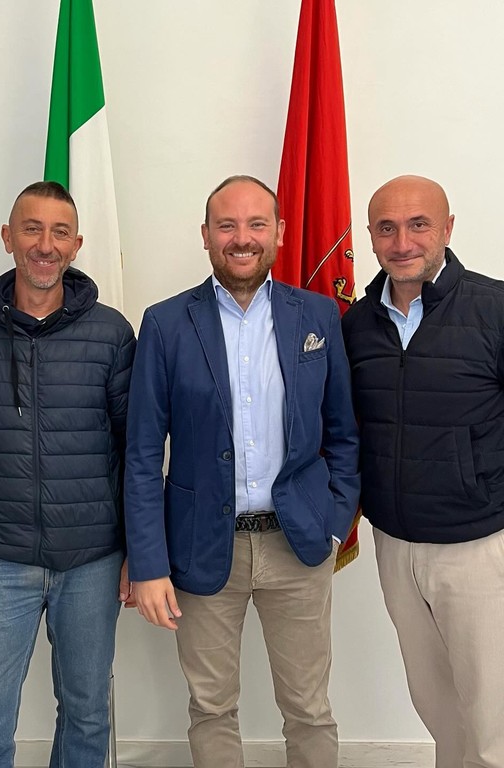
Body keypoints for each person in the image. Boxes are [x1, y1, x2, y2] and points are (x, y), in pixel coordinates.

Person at [124, 175, 360, 768]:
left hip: (298, 543)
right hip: (202, 546)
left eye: (256, 224)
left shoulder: (319, 316)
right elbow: (143, 453)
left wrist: (334, 523)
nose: (242, 238)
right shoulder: (166, 323)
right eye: (226, 225)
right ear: (205, 235)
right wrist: (148, 562)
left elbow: (343, 433)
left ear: (278, 233)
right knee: (211, 707)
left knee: (309, 708)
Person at [0, 181, 136, 768]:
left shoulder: (112, 333)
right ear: (8, 237)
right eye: (32, 229)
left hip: (92, 560)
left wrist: (137, 553)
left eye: (60, 232)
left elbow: (134, 452)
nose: (45, 244)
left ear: (77, 245)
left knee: (87, 715)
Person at [342, 175, 504, 768]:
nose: (402, 242)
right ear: (370, 236)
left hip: (478, 544)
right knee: (437, 704)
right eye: (386, 228)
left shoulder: (494, 308)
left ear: (448, 229)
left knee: (493, 715)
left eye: (418, 225)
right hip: (396, 543)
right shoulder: (357, 323)